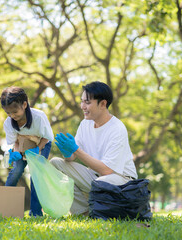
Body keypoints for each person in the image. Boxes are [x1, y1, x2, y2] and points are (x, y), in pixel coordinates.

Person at [51, 81, 137, 216]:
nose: (82, 106)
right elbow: (72, 157)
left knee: (100, 182)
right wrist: (67, 153)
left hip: (121, 181)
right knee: (55, 163)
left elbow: (107, 170)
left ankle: (100, 211)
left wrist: (76, 150)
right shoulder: (85, 124)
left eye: (87, 102)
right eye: (82, 101)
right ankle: (84, 212)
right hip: (97, 178)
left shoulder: (117, 128)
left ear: (103, 104)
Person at [0, 86, 54, 216]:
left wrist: (37, 150)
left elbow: (47, 137)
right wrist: (17, 153)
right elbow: (16, 141)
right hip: (22, 142)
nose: (12, 116)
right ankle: (2, 207)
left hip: (42, 142)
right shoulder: (9, 123)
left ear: (24, 104)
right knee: (16, 171)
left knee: (36, 175)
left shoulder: (38, 117)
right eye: (8, 113)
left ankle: (35, 212)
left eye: (15, 112)